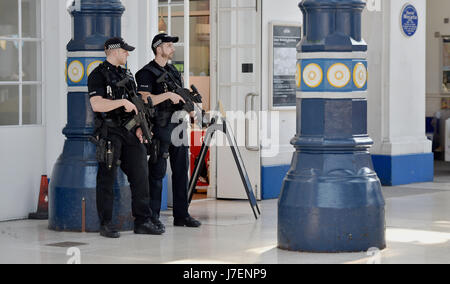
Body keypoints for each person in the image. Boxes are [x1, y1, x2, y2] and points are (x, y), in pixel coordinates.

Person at [88, 37, 165, 238]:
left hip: (131, 131)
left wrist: (140, 126)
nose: (127, 54)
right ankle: (106, 224)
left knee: (141, 175)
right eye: (125, 51)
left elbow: (135, 104)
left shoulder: (128, 75)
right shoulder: (97, 75)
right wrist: (121, 103)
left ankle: (142, 221)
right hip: (110, 131)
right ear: (113, 51)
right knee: (107, 178)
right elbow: (96, 104)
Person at [135, 33, 202, 231]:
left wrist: (191, 109)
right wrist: (167, 95)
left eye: (173, 45)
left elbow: (180, 95)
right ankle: (152, 217)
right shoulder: (145, 73)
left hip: (179, 126)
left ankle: (182, 215)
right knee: (157, 173)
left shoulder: (173, 70)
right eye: (168, 45)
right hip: (159, 127)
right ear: (158, 48)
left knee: (182, 172)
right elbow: (144, 99)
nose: (173, 48)